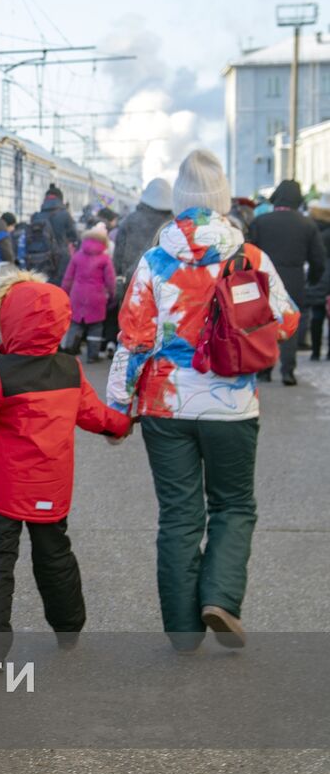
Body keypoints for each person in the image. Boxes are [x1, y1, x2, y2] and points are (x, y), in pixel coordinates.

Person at [109, 150, 298, 651]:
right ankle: (220, 598)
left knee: (178, 514)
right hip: (231, 407)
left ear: (180, 201)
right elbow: (287, 321)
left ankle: (183, 630)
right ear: (219, 199)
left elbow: (132, 338)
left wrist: (117, 407)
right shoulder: (250, 257)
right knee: (234, 505)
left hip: (165, 406)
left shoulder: (153, 260)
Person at [0, 271, 131, 659]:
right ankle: (69, 627)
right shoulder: (69, 368)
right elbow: (92, 414)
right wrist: (122, 423)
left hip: (0, 492)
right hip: (50, 489)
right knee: (55, 555)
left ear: (7, 319)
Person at [248, 179, 325, 386]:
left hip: (263, 278)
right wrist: (312, 280)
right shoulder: (307, 224)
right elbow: (318, 259)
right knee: (290, 322)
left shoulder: (260, 222)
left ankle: (264, 369)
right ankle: (288, 371)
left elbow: (247, 253)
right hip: (294, 279)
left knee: (264, 322)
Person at [60, 224, 117, 362]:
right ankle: (92, 355)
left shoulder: (77, 256)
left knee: (75, 323)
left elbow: (68, 277)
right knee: (96, 326)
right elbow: (110, 280)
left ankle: (70, 351)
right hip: (97, 296)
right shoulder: (105, 259)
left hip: (77, 294)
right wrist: (113, 294)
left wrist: (64, 292)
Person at [112, 178, 173, 286]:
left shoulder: (130, 221)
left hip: (133, 282)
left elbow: (118, 256)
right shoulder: (173, 223)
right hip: (165, 284)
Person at [25, 184, 80, 283]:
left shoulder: (36, 216)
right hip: (60, 261)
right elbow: (75, 237)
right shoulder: (65, 215)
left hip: (40, 261)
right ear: (60, 199)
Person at [307, 202, 330, 360]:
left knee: (317, 315)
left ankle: (315, 352)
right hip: (327, 273)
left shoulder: (312, 230)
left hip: (317, 274)